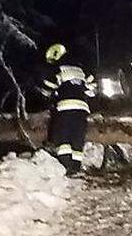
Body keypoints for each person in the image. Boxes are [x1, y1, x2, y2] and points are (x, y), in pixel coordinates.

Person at [39, 43, 94, 176]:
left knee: (62, 137)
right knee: (77, 138)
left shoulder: (58, 70)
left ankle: (64, 166)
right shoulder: (80, 70)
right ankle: (75, 168)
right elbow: (92, 87)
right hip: (82, 109)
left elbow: (48, 87)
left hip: (65, 107)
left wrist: (45, 93)